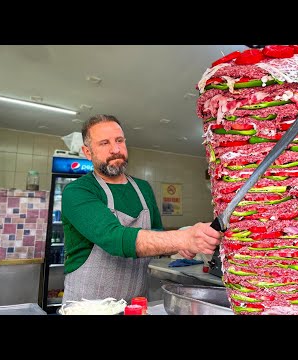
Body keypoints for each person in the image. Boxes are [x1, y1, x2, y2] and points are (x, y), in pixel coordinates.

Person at [61, 114, 222, 303]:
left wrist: (181, 244)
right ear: (87, 152)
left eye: (119, 140)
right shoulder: (77, 191)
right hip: (87, 305)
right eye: (104, 143)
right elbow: (114, 238)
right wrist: (182, 238)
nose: (115, 149)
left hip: (135, 304)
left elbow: (156, 234)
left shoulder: (142, 188)